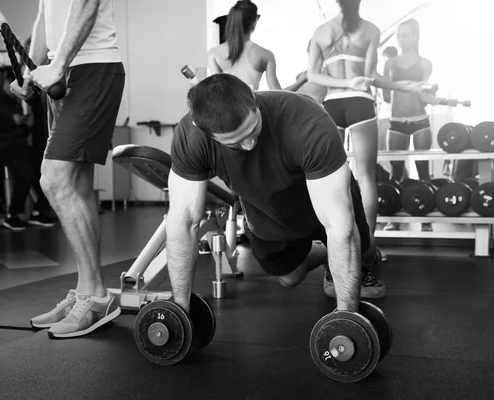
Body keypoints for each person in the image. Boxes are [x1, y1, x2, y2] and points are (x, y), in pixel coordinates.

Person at [166, 73, 383, 316]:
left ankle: (369, 258)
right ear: (202, 130)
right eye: (236, 143)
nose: (249, 146)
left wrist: (347, 318)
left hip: (322, 191)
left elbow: (340, 227)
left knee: (360, 247)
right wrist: (179, 310)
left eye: (253, 130)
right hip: (266, 207)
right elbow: (183, 222)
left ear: (253, 97)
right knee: (290, 277)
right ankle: (326, 256)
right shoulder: (191, 137)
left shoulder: (307, 122)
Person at [11, 0, 125, 338]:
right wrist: (30, 70)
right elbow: (44, 17)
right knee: (78, 186)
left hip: (92, 67)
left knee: (55, 182)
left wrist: (58, 63)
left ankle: (98, 297)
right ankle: (85, 290)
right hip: (61, 73)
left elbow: (87, 5)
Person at [307, 0, 426, 262]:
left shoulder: (321, 32)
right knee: (366, 175)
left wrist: (343, 82)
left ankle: (336, 243)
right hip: (360, 101)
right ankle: (368, 247)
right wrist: (407, 87)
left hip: (332, 105)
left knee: (331, 178)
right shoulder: (370, 30)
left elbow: (313, 76)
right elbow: (372, 76)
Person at [0, 71, 56, 231]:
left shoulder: (16, 103)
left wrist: (27, 125)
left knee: (47, 169)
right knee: (26, 174)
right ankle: (12, 215)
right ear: (7, 82)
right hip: (2, 147)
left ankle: (38, 211)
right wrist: (11, 121)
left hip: (20, 145)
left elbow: (22, 131)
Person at [382, 19, 436, 231]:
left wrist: (427, 95)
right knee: (395, 172)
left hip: (420, 120)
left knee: (424, 172)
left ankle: (426, 219)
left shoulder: (425, 64)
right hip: (396, 122)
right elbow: (387, 96)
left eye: (406, 35)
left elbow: (424, 96)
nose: (402, 39)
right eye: (399, 35)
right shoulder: (389, 64)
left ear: (416, 36)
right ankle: (393, 220)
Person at [207, 0, 306, 92]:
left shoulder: (213, 54)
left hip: (226, 110)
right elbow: (278, 94)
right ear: (254, 22)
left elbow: (218, 93)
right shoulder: (265, 55)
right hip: (254, 109)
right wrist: (302, 79)